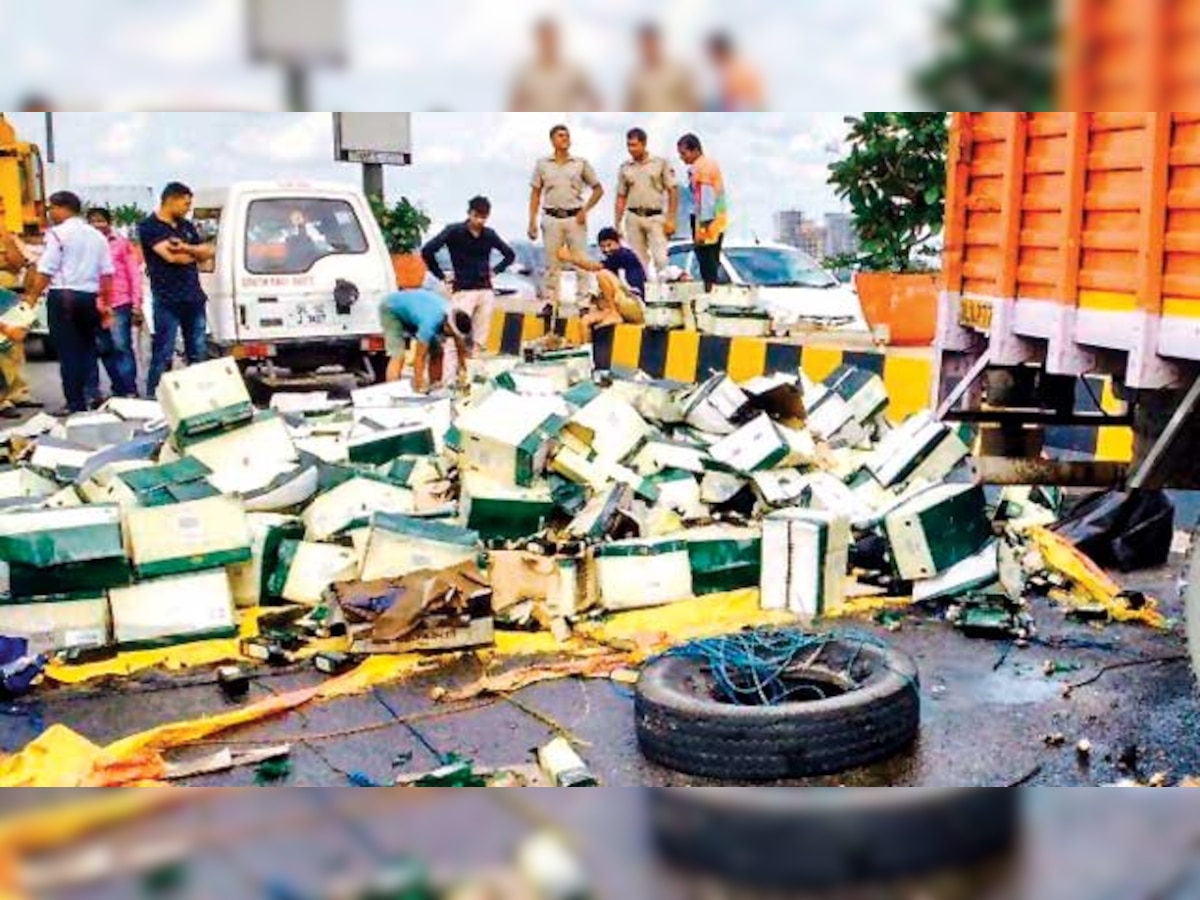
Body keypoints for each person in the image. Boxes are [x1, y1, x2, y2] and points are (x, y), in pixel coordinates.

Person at [21, 191, 114, 414]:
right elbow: (107, 273)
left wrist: (32, 298)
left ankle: (75, 403)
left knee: (68, 352)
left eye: (51, 208)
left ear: (63, 208)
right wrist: (105, 303)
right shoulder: (97, 236)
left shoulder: (58, 234)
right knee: (87, 349)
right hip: (89, 297)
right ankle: (91, 395)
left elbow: (47, 268)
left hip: (64, 296)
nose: (50, 213)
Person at [139, 182, 214, 397]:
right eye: (185, 203)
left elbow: (208, 253)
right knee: (164, 351)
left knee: (198, 351)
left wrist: (186, 248)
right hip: (167, 299)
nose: (188, 209)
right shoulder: (150, 226)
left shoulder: (186, 227)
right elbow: (173, 257)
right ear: (170, 200)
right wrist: (193, 254)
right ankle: (154, 396)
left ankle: (200, 396)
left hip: (194, 297)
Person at [421, 196, 516, 355]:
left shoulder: (489, 234)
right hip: (463, 290)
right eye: (477, 216)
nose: (479, 221)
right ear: (470, 213)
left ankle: (471, 371)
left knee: (480, 339)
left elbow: (509, 255)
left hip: (485, 289)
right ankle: (450, 377)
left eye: (483, 217)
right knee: (455, 336)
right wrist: (441, 275)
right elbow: (427, 251)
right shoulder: (454, 231)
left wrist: (495, 270)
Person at [529, 124, 604, 310]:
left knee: (580, 262)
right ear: (553, 140)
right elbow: (536, 193)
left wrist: (585, 210)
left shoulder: (580, 163)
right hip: (552, 216)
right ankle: (551, 302)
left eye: (567, 136)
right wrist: (532, 221)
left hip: (574, 217)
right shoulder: (542, 164)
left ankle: (583, 302)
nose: (565, 139)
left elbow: (598, 189)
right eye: (561, 136)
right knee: (552, 264)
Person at [87, 208, 142, 399]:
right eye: (93, 221)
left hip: (119, 302)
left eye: (101, 220)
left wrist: (136, 302)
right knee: (103, 348)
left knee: (121, 346)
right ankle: (117, 388)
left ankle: (129, 389)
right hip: (94, 303)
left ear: (109, 223)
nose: (97, 225)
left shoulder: (121, 244)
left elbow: (134, 273)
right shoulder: (86, 245)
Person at [377, 288, 471, 394]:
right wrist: (418, 389)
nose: (450, 337)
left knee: (438, 352)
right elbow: (419, 358)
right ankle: (392, 393)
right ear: (447, 326)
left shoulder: (451, 315)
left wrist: (464, 374)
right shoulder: (429, 324)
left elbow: (459, 346)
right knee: (398, 355)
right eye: (451, 334)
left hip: (414, 311)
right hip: (391, 309)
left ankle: (435, 388)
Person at [615, 128, 679, 278]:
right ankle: (643, 294)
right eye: (629, 145)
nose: (631, 149)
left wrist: (671, 218)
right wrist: (617, 222)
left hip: (655, 216)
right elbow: (621, 196)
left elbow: (673, 190)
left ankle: (663, 294)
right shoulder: (625, 167)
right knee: (637, 260)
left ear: (644, 144)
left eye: (634, 145)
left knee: (660, 258)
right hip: (633, 217)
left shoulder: (660, 163)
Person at [509, 18, 602, 112]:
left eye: (551, 38)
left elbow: (594, 100)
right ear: (537, 40)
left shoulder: (574, 70)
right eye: (544, 38)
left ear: (558, 39)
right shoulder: (526, 73)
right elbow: (515, 106)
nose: (548, 42)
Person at [677, 134, 728, 292]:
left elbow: (706, 200)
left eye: (684, 153)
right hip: (718, 219)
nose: (681, 157)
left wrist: (702, 228)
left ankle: (710, 294)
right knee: (711, 260)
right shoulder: (709, 164)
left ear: (695, 150)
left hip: (708, 221)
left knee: (707, 263)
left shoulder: (702, 168)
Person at [0, 197, 36, 419]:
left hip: (10, 294)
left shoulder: (8, 234)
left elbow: (19, 261)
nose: (3, 210)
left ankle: (16, 392)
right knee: (2, 346)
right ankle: (2, 399)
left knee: (13, 347)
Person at [626, 23, 699, 112]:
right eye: (644, 44)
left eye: (651, 43)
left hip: (676, 124)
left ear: (658, 43)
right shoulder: (635, 78)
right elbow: (631, 109)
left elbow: (694, 104)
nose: (648, 48)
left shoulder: (679, 70)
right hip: (648, 124)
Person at [557, 227, 647, 299]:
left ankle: (613, 312)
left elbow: (593, 267)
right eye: (602, 246)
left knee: (602, 274)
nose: (606, 249)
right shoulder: (617, 256)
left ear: (618, 242)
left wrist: (569, 258)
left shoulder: (621, 255)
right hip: (629, 296)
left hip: (635, 298)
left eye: (609, 245)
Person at [707, 32, 766, 111]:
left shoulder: (734, 71)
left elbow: (736, 102)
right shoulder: (732, 69)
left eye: (713, 54)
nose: (712, 59)